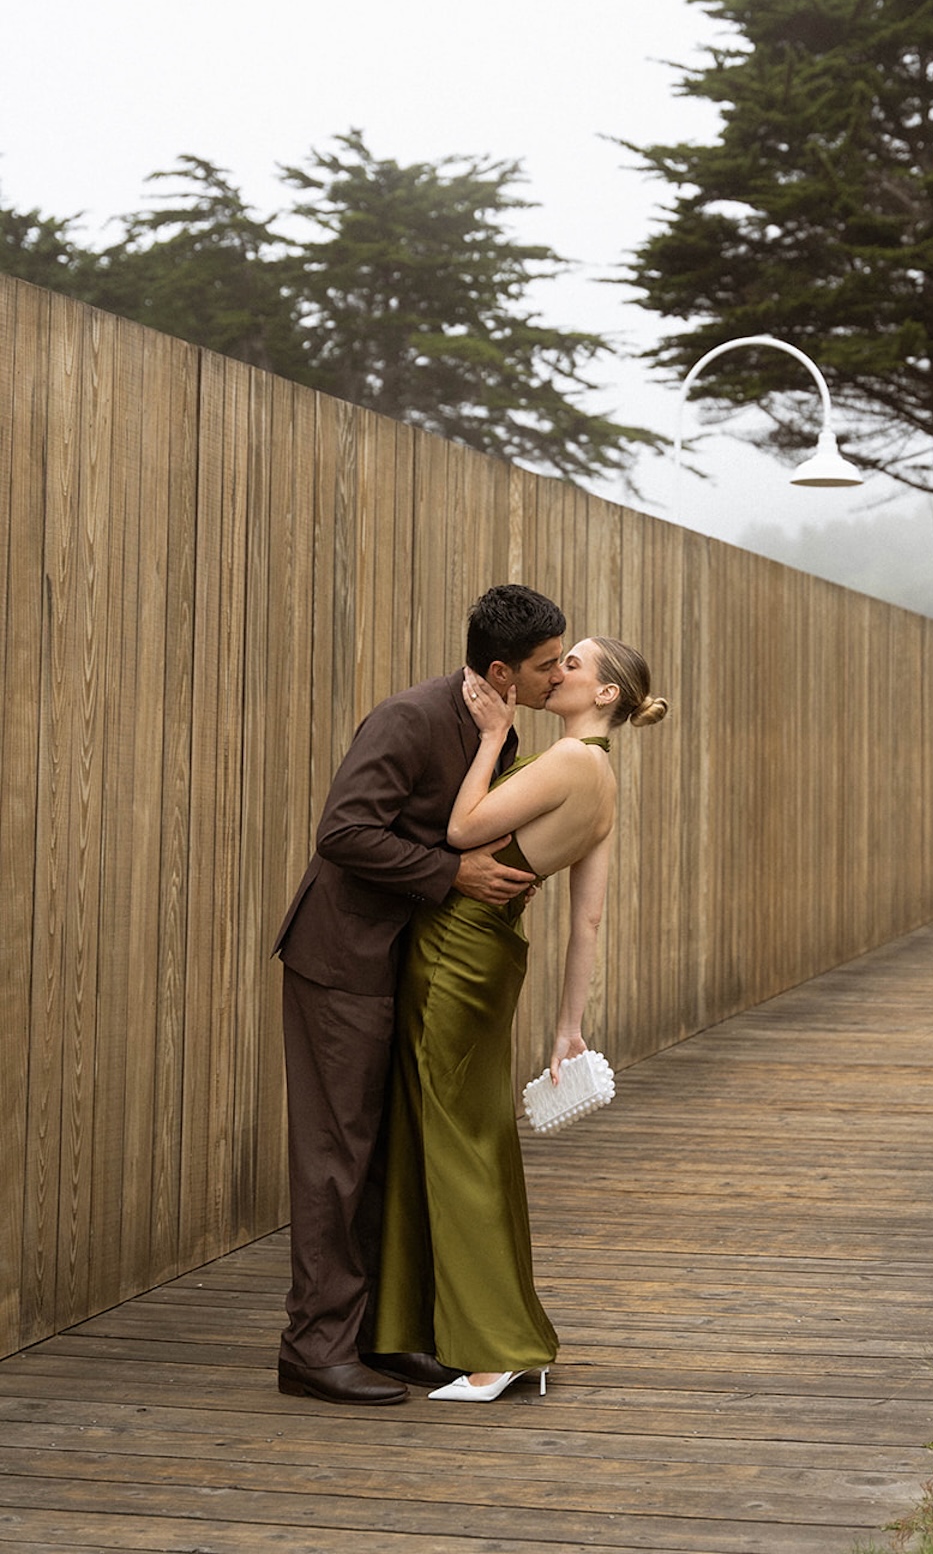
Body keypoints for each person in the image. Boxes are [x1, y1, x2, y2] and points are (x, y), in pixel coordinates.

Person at [273, 584, 568, 1406]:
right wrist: (453, 875)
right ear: (502, 671)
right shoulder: (408, 719)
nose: (558, 677)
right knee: (337, 1158)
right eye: (546, 667)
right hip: (340, 964)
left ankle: (381, 1334)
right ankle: (312, 1348)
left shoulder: (493, 732)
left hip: (405, 965)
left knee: (389, 1151)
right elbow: (342, 832)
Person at [371, 638, 668, 1402]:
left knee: (454, 1142)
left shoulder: (569, 762)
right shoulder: (603, 779)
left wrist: (494, 737)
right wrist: (570, 1026)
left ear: (605, 696)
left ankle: (494, 1349)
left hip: (458, 947)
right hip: (496, 953)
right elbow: (589, 920)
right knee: (473, 1137)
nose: (558, 670)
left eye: (575, 664)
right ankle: (480, 1335)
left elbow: (463, 832)